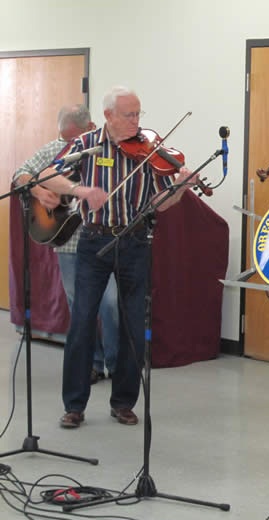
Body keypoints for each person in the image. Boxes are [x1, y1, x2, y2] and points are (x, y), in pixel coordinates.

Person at [33, 86, 195, 429]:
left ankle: (123, 401)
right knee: (82, 322)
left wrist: (179, 189)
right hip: (94, 243)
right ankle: (74, 405)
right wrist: (81, 190)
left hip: (134, 242)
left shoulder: (149, 152)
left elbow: (158, 205)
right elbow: (48, 175)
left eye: (138, 114)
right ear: (108, 116)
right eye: (128, 115)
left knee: (132, 323)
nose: (136, 122)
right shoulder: (87, 144)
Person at [12, 104, 119, 384]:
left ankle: (117, 365)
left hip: (101, 239)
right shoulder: (54, 150)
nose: (68, 146)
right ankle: (93, 363)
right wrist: (38, 190)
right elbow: (20, 174)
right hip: (69, 246)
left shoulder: (105, 152)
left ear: (91, 127)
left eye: (73, 139)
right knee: (80, 307)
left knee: (109, 303)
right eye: (65, 138)